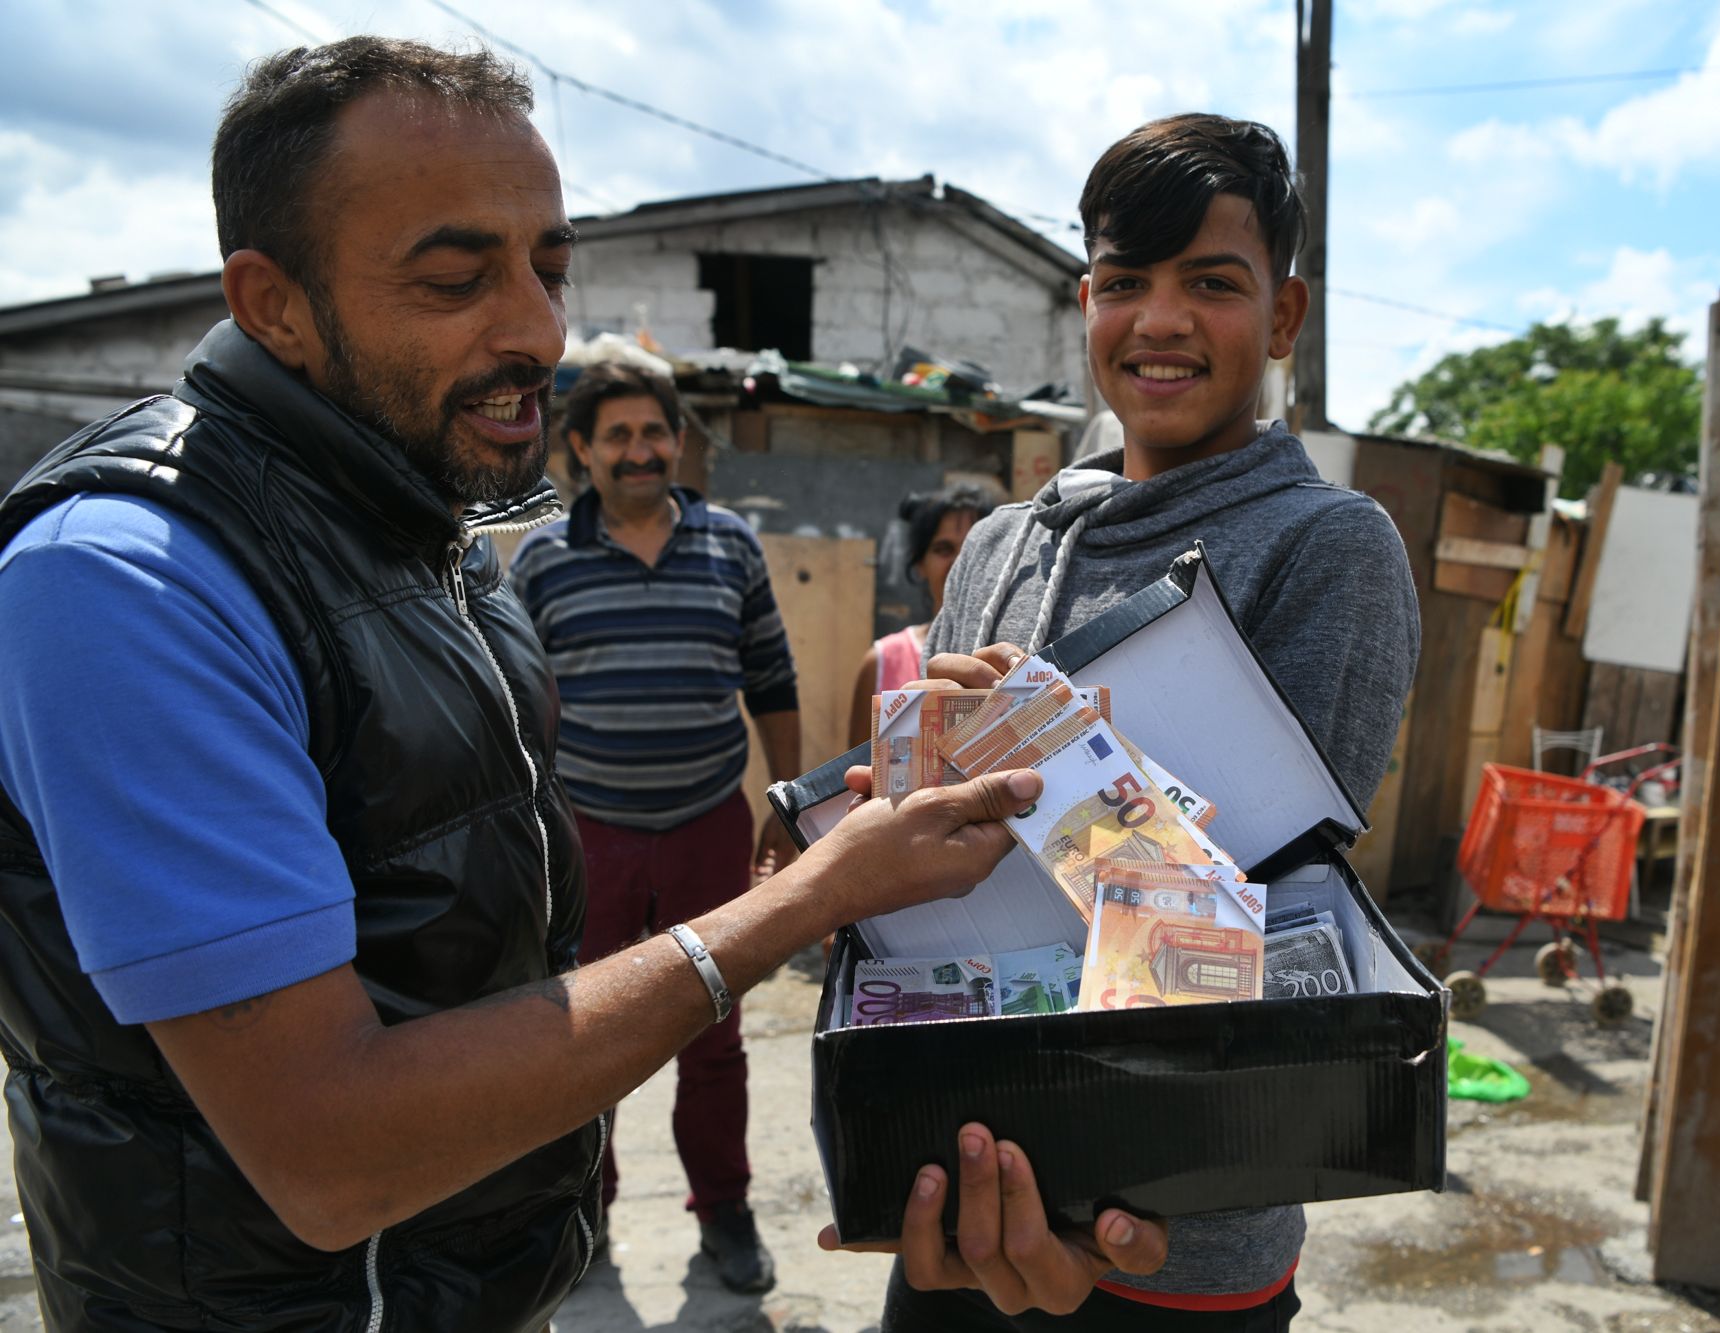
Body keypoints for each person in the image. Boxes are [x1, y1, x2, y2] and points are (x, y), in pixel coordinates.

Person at [0, 37, 1050, 1332]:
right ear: (272, 303)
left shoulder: (421, 522)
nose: (541, 332)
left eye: (550, 266)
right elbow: (330, 1154)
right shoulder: (126, 582)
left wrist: (869, 791)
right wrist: (802, 903)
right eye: (457, 279)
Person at [828, 114, 1422, 1329]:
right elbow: (919, 865)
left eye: (1211, 283)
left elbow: (1278, 918)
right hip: (968, 1188)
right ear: (1084, 298)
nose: (1158, 320)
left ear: (1284, 315)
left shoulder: (1327, 548)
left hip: (1169, 1235)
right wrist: (884, 795)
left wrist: (1038, 760)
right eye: (1123, 282)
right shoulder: (1001, 542)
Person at [508, 361, 800, 1291]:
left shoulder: (733, 545)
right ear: (581, 450)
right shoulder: (544, 559)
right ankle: (579, 1218)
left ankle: (726, 1212)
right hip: (588, 832)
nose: (639, 451)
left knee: (714, 1033)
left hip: (709, 823)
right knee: (581, 1038)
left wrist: (782, 806)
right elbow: (515, 703)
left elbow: (773, 682)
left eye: (655, 432)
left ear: (679, 442)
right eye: (617, 435)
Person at [847, 482, 998, 747]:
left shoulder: (1012, 656)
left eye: (972, 549)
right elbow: (854, 779)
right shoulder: (881, 661)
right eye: (944, 549)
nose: (959, 562)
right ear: (919, 564)